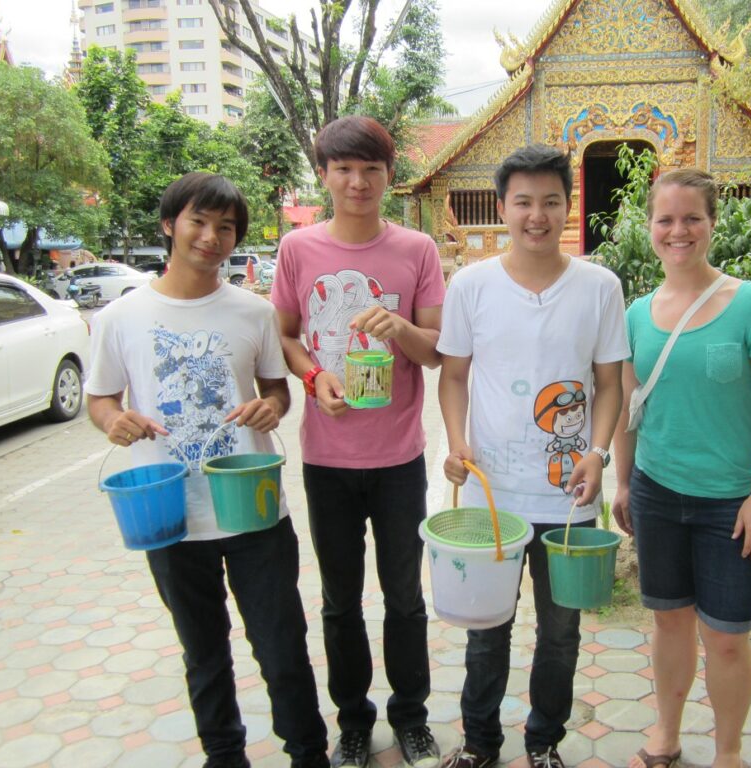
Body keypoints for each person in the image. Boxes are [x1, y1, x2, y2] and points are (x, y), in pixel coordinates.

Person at [85, 172, 330, 768]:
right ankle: (224, 755)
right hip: (171, 515)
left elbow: (277, 391)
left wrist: (272, 406)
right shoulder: (122, 317)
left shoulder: (253, 312)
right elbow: (101, 399)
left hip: (252, 506)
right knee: (203, 652)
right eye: (199, 221)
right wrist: (114, 421)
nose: (211, 237)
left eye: (226, 227)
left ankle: (308, 753)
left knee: (282, 647)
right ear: (170, 224)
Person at [437, 144, 628, 768]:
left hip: (568, 497)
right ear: (503, 207)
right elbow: (454, 377)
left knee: (561, 633)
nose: (536, 216)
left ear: (569, 207)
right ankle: (479, 744)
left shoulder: (599, 287)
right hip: (492, 496)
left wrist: (598, 452)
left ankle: (544, 743)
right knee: (486, 630)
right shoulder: (470, 286)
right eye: (523, 202)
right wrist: (456, 440)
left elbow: (610, 385)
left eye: (551, 202)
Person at [611, 168, 751, 768]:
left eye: (692, 218)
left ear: (713, 223)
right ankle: (666, 734)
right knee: (669, 623)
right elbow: (629, 406)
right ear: (650, 227)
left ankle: (728, 752)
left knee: (726, 638)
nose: (679, 231)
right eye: (665, 219)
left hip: (733, 504)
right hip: (657, 493)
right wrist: (623, 481)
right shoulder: (637, 313)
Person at [270, 116, 445, 768]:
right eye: (343, 169)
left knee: (405, 598)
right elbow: (285, 335)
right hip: (327, 460)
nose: (358, 182)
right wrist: (314, 377)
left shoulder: (417, 250)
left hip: (399, 459)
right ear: (324, 175)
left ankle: (412, 719)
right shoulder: (298, 249)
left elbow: (435, 351)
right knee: (340, 603)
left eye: (371, 169)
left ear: (389, 176)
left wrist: (400, 328)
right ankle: (352, 722)